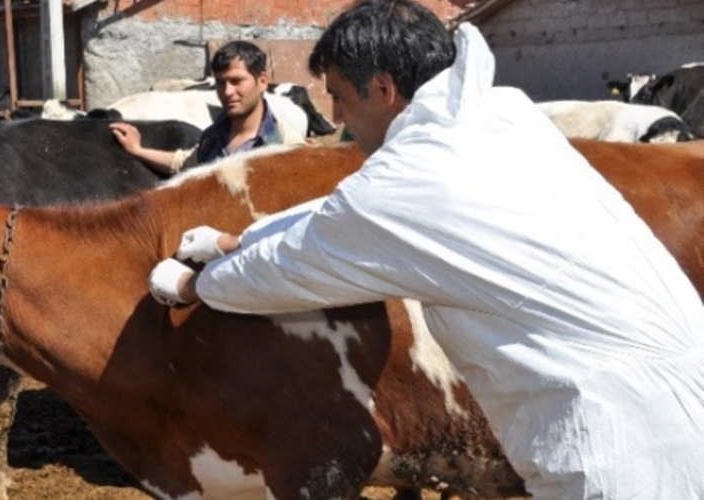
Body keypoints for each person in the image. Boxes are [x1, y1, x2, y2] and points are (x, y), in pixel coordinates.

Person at [146, 1, 704, 499]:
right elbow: (346, 212)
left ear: (383, 89)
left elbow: (300, 262)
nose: (335, 118)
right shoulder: (495, 115)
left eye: (338, 97)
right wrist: (235, 239)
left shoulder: (412, 181)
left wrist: (198, 284)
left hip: (617, 447)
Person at [110, 41, 306, 175]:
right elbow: (183, 163)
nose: (228, 92)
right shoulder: (213, 137)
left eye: (237, 81)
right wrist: (137, 150)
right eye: (221, 83)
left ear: (262, 81)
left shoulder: (287, 147)